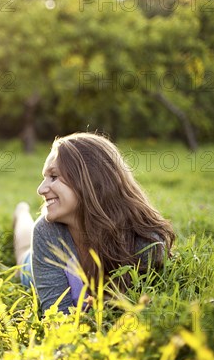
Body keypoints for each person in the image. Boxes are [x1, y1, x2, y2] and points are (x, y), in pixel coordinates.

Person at [13, 133, 175, 314]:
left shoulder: (145, 244)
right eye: (44, 178)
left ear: (90, 180)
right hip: (36, 264)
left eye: (53, 177)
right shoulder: (46, 232)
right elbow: (58, 318)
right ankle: (21, 212)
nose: (41, 189)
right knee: (23, 254)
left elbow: (147, 309)